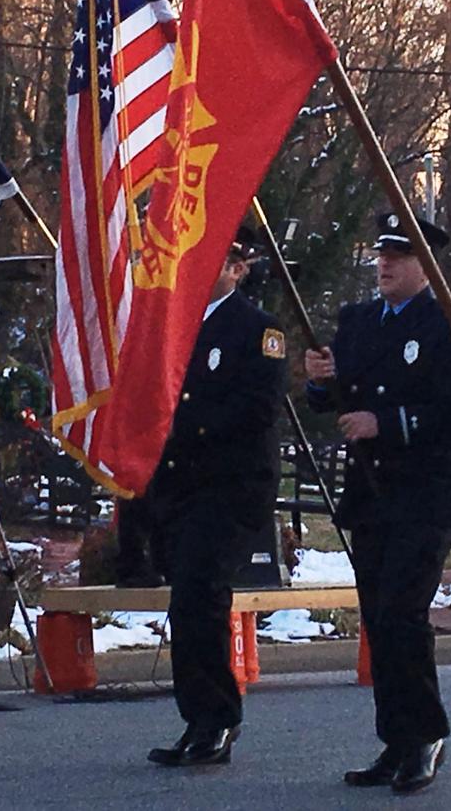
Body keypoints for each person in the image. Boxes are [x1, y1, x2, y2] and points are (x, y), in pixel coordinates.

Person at [303, 213, 451, 795]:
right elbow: (332, 401)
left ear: (425, 265)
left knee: (403, 610)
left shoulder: (446, 324)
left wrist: (388, 423)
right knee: (379, 618)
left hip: (426, 490)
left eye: (399, 256)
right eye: (382, 254)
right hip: (372, 495)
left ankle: (427, 733)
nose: (385, 265)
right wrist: (320, 380)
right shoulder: (357, 322)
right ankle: (395, 740)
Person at [146, 226, 288, 767]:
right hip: (181, 484)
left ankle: (217, 720)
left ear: (239, 268)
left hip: (230, 485)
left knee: (201, 593)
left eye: (220, 259)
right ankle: (197, 718)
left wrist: (182, 429)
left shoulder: (258, 330)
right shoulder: (176, 325)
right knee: (187, 598)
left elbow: (257, 408)